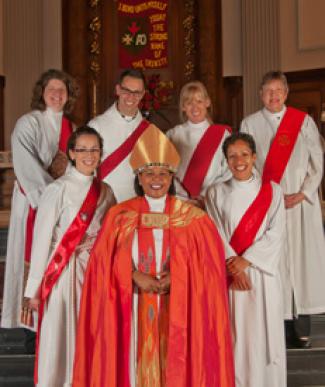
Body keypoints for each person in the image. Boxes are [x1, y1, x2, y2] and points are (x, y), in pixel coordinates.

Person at [72, 124, 235, 387]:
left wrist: (178, 276)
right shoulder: (119, 215)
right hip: (133, 303)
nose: (156, 179)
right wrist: (133, 275)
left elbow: (210, 267)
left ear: (172, 177)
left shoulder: (193, 218)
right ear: (139, 177)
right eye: (149, 173)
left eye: (162, 173)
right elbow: (101, 264)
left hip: (179, 303)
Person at [23, 126, 116, 386]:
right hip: (63, 273)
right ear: (72, 153)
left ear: (100, 153)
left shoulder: (106, 191)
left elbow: (112, 234)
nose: (89, 155)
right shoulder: (58, 189)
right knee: (61, 334)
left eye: (94, 149)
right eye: (83, 149)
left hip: (95, 273)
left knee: (92, 333)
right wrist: (34, 289)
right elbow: (42, 240)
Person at [241, 70, 325, 348]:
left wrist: (304, 193)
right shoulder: (250, 123)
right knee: (273, 262)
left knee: (301, 262)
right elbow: (245, 165)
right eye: (268, 90)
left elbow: (317, 160)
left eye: (278, 90)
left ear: (286, 93)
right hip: (269, 205)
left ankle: (302, 325)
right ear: (260, 94)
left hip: (300, 204)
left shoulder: (303, 122)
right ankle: (277, 324)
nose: (273, 95)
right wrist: (265, 198)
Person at [1, 69, 78, 348]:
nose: (57, 94)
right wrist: (51, 200)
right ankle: (30, 329)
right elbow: (26, 165)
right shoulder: (28, 123)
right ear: (41, 93)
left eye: (62, 90)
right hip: (35, 203)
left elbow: (77, 167)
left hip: (62, 208)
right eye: (51, 90)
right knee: (31, 261)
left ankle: (54, 323)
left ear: (68, 95)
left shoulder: (72, 128)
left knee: (56, 262)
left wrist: (66, 202)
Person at [206, 132, 287, 387]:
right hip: (231, 277)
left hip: (263, 276)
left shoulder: (272, 191)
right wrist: (234, 266)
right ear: (226, 161)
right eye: (232, 156)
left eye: (244, 154)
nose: (238, 160)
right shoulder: (216, 192)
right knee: (236, 336)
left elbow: (277, 233)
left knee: (265, 335)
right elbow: (214, 233)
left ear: (254, 156)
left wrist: (247, 260)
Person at [88, 68, 149, 202]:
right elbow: (85, 169)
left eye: (137, 92)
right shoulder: (96, 126)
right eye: (126, 91)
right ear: (118, 90)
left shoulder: (149, 131)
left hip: (137, 203)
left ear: (143, 94)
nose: (131, 97)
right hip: (104, 201)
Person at [167, 81, 231, 207]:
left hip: (212, 201)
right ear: (183, 107)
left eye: (199, 101)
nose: (194, 107)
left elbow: (228, 171)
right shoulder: (173, 135)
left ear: (207, 103)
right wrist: (183, 198)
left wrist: (205, 195)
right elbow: (165, 171)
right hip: (180, 202)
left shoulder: (223, 135)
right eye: (189, 103)